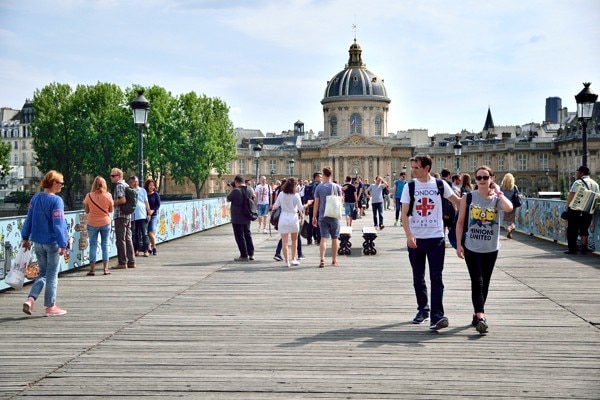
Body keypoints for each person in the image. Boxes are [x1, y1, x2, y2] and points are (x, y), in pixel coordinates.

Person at [401, 155, 461, 331]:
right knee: (418, 277)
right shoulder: (409, 186)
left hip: (436, 237)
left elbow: (458, 202)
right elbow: (404, 214)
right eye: (412, 167)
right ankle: (423, 309)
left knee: (436, 277)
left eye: (416, 167)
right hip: (416, 238)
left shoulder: (440, 185)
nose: (413, 170)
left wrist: (485, 197)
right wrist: (408, 234)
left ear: (427, 168)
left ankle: (437, 315)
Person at [455, 166, 513, 334]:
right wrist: (459, 244)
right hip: (472, 246)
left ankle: (476, 313)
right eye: (479, 177)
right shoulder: (468, 197)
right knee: (477, 281)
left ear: (491, 178)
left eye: (485, 177)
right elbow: (460, 223)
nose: (481, 180)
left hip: (491, 247)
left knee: (485, 282)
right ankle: (481, 316)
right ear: (475, 179)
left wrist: (498, 191)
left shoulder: (496, 199)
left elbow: (509, 208)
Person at [21, 170, 69, 317]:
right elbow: (59, 224)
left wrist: (25, 237)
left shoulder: (35, 198)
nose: (62, 186)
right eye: (61, 183)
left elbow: (29, 219)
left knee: (42, 273)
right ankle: (50, 306)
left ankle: (30, 299)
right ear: (54, 183)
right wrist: (63, 244)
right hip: (52, 242)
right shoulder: (57, 201)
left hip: (37, 241)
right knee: (52, 275)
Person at [564, 166, 600, 255]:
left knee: (572, 230)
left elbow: (572, 194)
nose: (576, 174)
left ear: (582, 173)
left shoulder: (578, 182)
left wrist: (567, 205)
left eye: (577, 173)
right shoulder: (595, 183)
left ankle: (573, 249)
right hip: (588, 210)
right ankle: (584, 248)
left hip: (576, 209)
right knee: (584, 230)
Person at [312, 166, 342, 268]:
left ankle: (322, 259)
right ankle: (334, 260)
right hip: (334, 215)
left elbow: (316, 204)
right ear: (331, 174)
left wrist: (314, 217)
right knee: (335, 238)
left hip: (322, 215)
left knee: (323, 238)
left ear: (323, 175)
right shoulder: (337, 187)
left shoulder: (319, 187)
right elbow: (340, 201)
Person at [83, 176, 114, 276]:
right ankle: (105, 269)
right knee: (105, 244)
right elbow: (111, 210)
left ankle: (92, 270)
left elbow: (87, 211)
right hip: (105, 222)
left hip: (92, 223)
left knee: (93, 245)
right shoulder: (108, 195)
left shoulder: (89, 196)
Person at [272, 177, 304, 267]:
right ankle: (293, 259)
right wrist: (308, 204)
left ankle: (286, 261)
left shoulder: (281, 194)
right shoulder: (296, 195)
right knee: (294, 240)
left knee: (284, 241)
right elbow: (301, 208)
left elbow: (275, 206)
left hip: (283, 217)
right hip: (293, 218)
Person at [110, 168, 135, 269]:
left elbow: (122, 200)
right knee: (128, 238)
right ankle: (131, 261)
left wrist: (112, 203)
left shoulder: (119, 186)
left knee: (120, 239)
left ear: (119, 176)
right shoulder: (126, 185)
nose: (111, 178)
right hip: (127, 215)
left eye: (113, 176)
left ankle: (122, 262)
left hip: (120, 215)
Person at [226, 175, 255, 261]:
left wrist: (232, 189)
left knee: (239, 236)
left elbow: (228, 199)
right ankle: (251, 254)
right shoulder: (250, 189)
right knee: (248, 234)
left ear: (236, 182)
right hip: (247, 215)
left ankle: (243, 255)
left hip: (237, 217)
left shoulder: (236, 191)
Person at [129, 176, 151, 257]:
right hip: (133, 215)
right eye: (133, 182)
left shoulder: (142, 190)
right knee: (134, 234)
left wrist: (148, 213)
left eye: (136, 181)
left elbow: (146, 202)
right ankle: (136, 249)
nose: (135, 183)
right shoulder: (129, 191)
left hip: (142, 214)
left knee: (144, 233)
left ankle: (146, 250)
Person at [303, 172, 322, 245]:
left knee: (311, 222)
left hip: (310, 206)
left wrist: (307, 206)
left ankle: (309, 239)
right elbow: (316, 196)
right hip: (317, 205)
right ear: (316, 177)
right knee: (318, 222)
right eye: (320, 177)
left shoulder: (308, 186)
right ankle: (317, 239)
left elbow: (305, 197)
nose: (321, 178)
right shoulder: (318, 185)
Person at [144, 178, 160, 255]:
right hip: (145, 215)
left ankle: (154, 247)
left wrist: (152, 211)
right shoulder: (144, 194)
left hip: (153, 215)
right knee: (147, 232)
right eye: (150, 185)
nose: (152, 187)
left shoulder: (155, 194)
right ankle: (149, 247)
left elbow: (158, 205)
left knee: (151, 232)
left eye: (153, 185)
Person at [500, 173, 518, 239]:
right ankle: (510, 228)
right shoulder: (514, 187)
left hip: (504, 205)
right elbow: (517, 195)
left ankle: (507, 228)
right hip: (513, 205)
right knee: (512, 219)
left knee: (506, 218)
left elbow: (499, 195)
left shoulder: (502, 187)